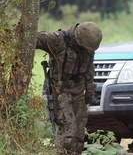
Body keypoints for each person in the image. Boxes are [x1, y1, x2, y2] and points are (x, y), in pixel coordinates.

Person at [37, 22, 103, 155]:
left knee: (79, 132)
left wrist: (90, 90)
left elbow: (89, 69)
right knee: (68, 130)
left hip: (78, 92)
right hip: (60, 91)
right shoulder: (58, 40)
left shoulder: (88, 48)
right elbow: (34, 39)